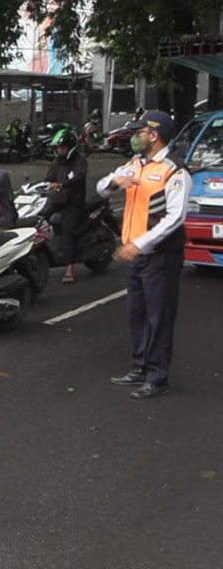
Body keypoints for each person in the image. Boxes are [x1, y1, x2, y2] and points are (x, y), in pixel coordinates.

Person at [96, 109, 188, 400]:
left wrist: (140, 244)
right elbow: (102, 188)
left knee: (158, 316)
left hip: (160, 255)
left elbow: (174, 218)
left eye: (139, 133)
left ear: (154, 135)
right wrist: (114, 184)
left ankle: (158, 377)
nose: (135, 137)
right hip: (136, 254)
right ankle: (140, 366)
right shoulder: (136, 163)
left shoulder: (174, 170)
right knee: (137, 313)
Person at [41, 128, 88, 283]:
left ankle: (70, 269)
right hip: (56, 201)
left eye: (63, 148)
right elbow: (48, 179)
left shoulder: (80, 160)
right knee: (39, 220)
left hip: (73, 203)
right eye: (59, 148)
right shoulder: (56, 163)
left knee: (68, 232)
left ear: (71, 147)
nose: (60, 151)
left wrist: (62, 184)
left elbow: (79, 178)